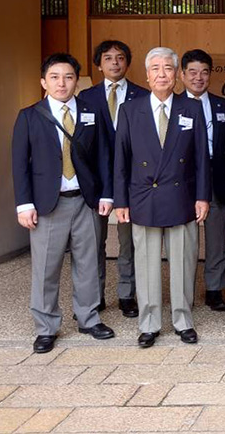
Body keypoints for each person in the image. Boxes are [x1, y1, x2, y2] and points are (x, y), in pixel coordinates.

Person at [12, 53, 115, 353]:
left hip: (86, 200)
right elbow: (20, 165)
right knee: (46, 267)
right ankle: (46, 327)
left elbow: (104, 156)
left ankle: (88, 317)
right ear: (43, 81)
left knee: (89, 262)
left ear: (76, 81)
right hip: (48, 203)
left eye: (68, 77)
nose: (62, 83)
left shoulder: (91, 111)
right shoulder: (30, 116)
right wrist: (23, 204)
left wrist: (106, 194)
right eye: (55, 77)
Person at [113, 47, 211, 348]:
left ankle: (183, 320)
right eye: (155, 68)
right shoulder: (131, 110)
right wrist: (120, 201)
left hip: (181, 196)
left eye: (168, 68)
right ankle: (150, 323)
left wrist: (202, 197)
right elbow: (121, 158)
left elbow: (200, 159)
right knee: (145, 264)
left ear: (177, 74)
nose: (161, 74)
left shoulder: (191, 108)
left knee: (183, 262)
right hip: (143, 196)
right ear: (146, 74)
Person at [77, 39, 148, 318]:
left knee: (128, 241)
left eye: (120, 58)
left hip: (132, 182)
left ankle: (126, 294)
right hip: (96, 182)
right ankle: (94, 296)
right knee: (93, 243)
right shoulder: (86, 99)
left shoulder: (142, 97)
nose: (115, 63)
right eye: (108, 58)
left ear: (127, 63)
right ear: (99, 64)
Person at [180, 48, 225, 312]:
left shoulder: (224, 106)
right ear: (182, 75)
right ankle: (183, 292)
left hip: (218, 180)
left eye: (204, 72)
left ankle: (215, 288)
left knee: (217, 239)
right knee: (184, 240)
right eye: (192, 72)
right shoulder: (174, 105)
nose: (198, 78)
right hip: (182, 181)